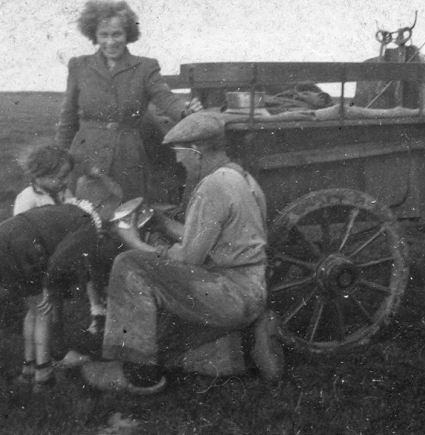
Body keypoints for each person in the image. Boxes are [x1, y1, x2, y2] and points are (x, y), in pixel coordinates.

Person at [81, 112, 284, 394]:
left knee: (130, 264)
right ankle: (247, 344)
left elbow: (188, 259)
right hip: (251, 288)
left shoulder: (210, 187)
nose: (178, 160)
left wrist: (132, 241)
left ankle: (139, 374)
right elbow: (210, 239)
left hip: (229, 293)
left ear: (197, 151)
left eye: (179, 152)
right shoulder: (241, 177)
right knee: (166, 344)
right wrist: (162, 223)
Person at [0, 173, 124, 392]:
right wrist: (48, 289)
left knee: (33, 310)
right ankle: (44, 376)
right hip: (21, 249)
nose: (113, 214)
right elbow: (59, 261)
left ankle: (28, 369)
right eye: (113, 208)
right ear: (102, 204)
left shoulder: (70, 211)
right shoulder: (88, 225)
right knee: (44, 312)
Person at [55, 0, 203, 201]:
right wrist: (59, 158)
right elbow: (68, 117)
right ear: (94, 36)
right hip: (85, 154)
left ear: (127, 35)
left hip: (127, 155)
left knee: (128, 211)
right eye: (103, 35)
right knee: (83, 212)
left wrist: (185, 111)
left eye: (117, 34)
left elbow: (164, 97)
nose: (110, 41)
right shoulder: (79, 66)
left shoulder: (145, 67)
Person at [14, 143, 106, 338]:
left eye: (67, 177)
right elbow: (20, 233)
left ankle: (95, 310)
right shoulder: (28, 199)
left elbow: (73, 212)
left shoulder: (63, 193)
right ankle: (55, 328)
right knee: (51, 294)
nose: (65, 182)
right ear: (40, 175)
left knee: (86, 268)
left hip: (64, 252)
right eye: (61, 177)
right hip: (43, 257)